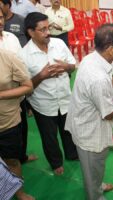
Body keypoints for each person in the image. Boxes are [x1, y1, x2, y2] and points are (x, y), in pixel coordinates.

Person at [65, 23, 113, 200]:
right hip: (90, 135)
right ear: (110, 48)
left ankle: (97, 186)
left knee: (94, 170)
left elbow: (103, 87)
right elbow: (109, 112)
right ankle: (96, 195)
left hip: (84, 124)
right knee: (93, 171)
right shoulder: (98, 77)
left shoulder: (92, 59)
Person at [18, 12, 78, 175]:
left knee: (69, 130)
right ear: (31, 32)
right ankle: (56, 162)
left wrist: (66, 67)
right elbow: (25, 86)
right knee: (49, 137)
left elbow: (73, 65)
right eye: (42, 29)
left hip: (65, 99)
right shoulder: (23, 55)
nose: (48, 33)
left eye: (48, 27)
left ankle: (72, 154)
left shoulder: (58, 43)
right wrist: (42, 76)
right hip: (43, 104)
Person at [0, 49, 34, 200]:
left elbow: (28, 86)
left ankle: (19, 192)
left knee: (11, 159)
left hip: (7, 122)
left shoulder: (8, 57)